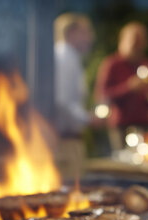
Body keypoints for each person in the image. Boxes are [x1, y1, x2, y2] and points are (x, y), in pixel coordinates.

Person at [94, 22, 148, 152]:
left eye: (140, 42)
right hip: (121, 125)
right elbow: (102, 96)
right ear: (123, 41)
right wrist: (129, 88)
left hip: (145, 124)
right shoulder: (112, 64)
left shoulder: (147, 64)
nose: (137, 47)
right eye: (134, 42)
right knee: (124, 165)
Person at [53, 15, 95, 174]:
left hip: (66, 139)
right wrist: (88, 118)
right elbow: (61, 99)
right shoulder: (65, 57)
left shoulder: (68, 56)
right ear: (72, 33)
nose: (91, 37)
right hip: (64, 141)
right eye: (86, 32)